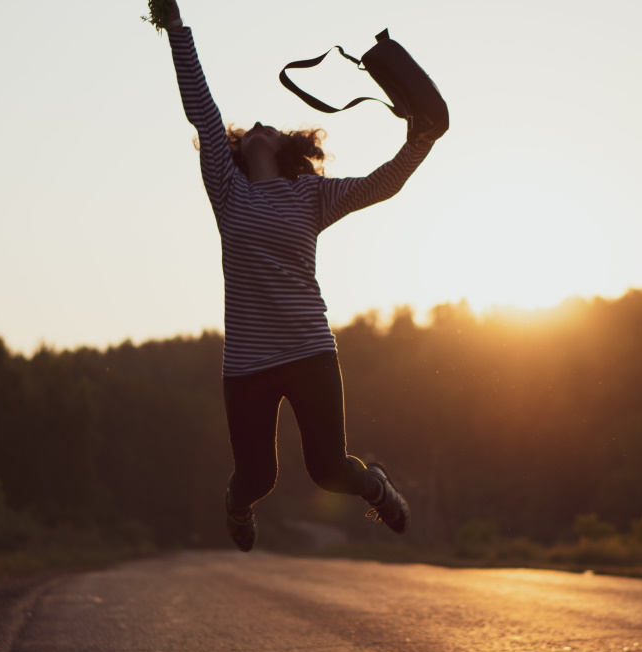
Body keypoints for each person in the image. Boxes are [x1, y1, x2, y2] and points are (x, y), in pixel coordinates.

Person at [152, 1, 442, 552]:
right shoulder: (228, 190)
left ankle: (376, 488)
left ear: (284, 146)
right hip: (248, 362)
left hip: (309, 349)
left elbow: (380, 184)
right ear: (238, 149)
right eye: (251, 126)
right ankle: (237, 505)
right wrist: (174, 27)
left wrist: (419, 141)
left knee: (330, 470)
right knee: (258, 478)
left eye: (270, 125)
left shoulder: (309, 196)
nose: (260, 124)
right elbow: (203, 111)